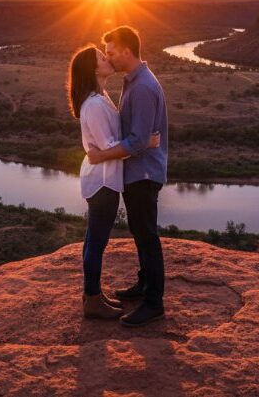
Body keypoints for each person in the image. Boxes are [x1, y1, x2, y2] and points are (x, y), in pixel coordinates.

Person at [67, 44, 160, 320]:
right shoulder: (94, 105)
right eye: (101, 57)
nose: (107, 59)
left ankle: (92, 294)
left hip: (107, 179)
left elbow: (105, 147)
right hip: (102, 182)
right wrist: (145, 143)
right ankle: (92, 300)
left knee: (94, 240)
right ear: (92, 69)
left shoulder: (102, 96)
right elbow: (107, 146)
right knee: (96, 242)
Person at [87, 25, 168, 327]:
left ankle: (154, 303)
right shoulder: (132, 81)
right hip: (136, 171)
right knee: (140, 232)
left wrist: (101, 156)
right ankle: (144, 284)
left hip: (144, 173)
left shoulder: (144, 87)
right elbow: (138, 135)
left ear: (126, 51)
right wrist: (141, 140)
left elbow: (136, 141)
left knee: (147, 236)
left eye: (110, 52)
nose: (108, 58)